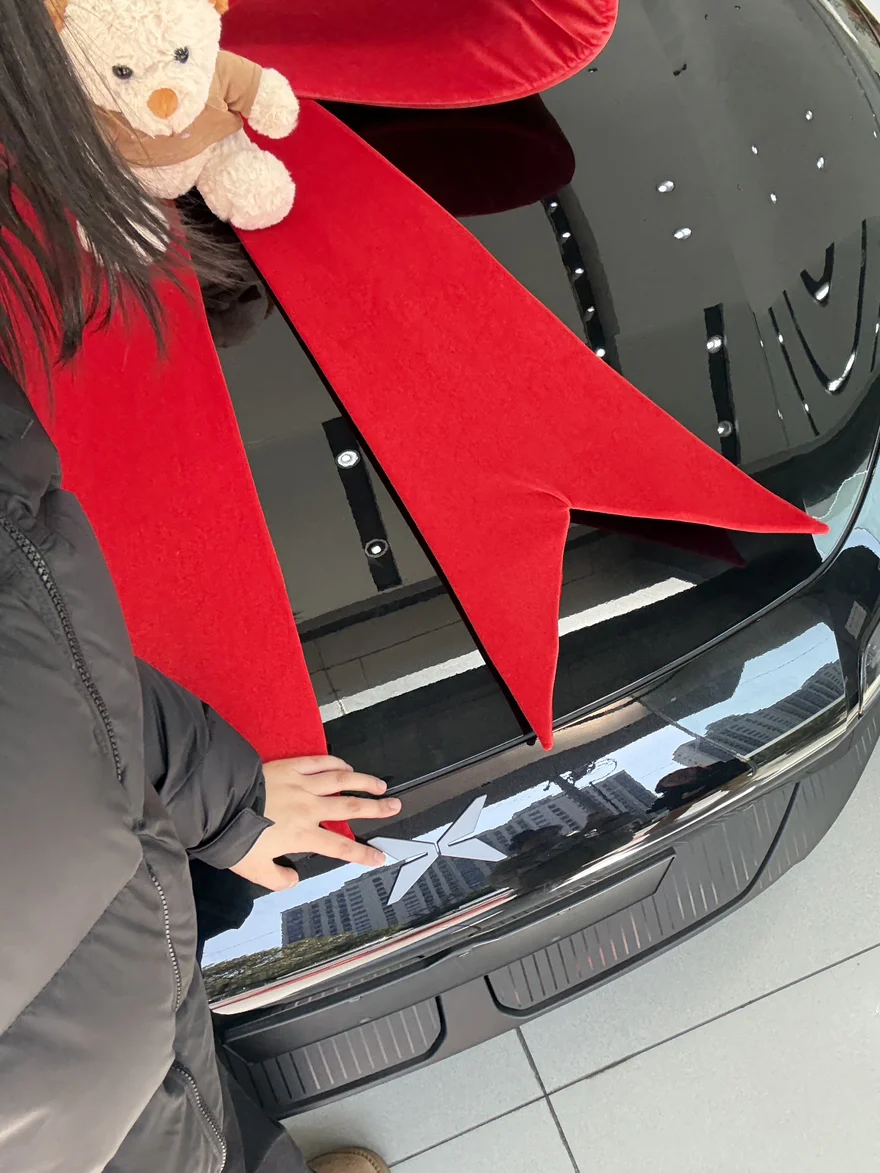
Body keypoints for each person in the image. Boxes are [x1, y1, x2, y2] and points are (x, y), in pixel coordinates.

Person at [0, 2, 397, 1171]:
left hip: (112, 1022)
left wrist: (221, 798)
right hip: (91, 1066)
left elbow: (44, 656)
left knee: (188, 1105)